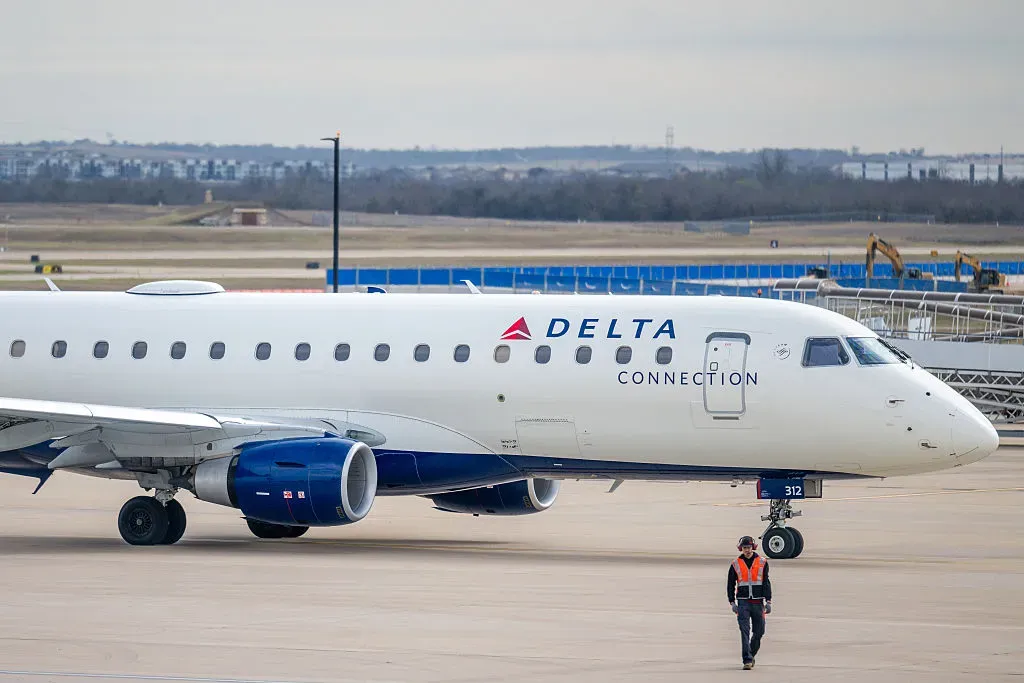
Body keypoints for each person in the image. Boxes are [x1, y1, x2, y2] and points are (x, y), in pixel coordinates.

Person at [727, 535, 772, 670]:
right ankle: (746, 660)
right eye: (745, 548)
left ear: (753, 547)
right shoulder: (735, 564)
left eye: (749, 547)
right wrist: (732, 602)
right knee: (744, 631)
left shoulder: (763, 562)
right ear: (741, 549)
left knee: (759, 632)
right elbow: (730, 585)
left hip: (758, 603)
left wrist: (768, 601)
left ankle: (751, 654)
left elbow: (766, 582)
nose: (747, 550)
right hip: (743, 603)